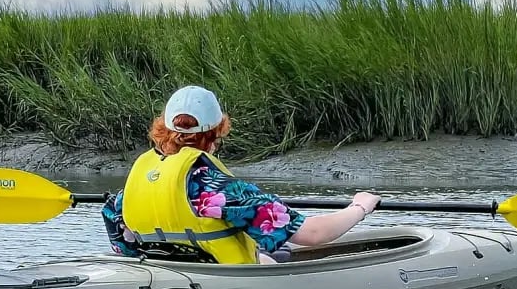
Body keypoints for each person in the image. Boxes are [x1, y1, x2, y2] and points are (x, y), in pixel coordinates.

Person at [101, 85, 381, 265]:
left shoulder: (131, 191)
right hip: (221, 284)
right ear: (216, 133)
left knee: (272, 254)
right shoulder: (220, 190)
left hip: (163, 279)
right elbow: (314, 234)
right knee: (275, 259)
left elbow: (115, 223)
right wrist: (360, 206)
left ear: (163, 130)